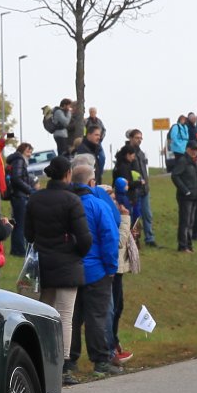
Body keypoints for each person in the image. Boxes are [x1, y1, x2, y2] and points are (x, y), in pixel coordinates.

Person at [25, 156, 92, 386]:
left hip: (42, 266)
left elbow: (28, 234)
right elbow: (84, 238)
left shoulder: (35, 199)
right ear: (68, 174)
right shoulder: (72, 200)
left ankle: (42, 364)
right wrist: (76, 253)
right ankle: (63, 368)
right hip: (67, 265)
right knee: (64, 316)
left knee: (43, 316)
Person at [71, 157, 122, 376]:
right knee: (97, 317)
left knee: (71, 319)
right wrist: (111, 268)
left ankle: (69, 362)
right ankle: (100, 361)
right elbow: (110, 237)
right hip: (96, 270)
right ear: (92, 182)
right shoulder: (98, 205)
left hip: (70, 270)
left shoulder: (67, 204)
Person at [109, 181, 139, 364]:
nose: (115, 202)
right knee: (112, 309)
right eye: (111, 198)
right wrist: (126, 219)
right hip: (112, 268)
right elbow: (118, 241)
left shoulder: (114, 212)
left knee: (118, 307)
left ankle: (114, 342)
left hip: (118, 268)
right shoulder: (110, 214)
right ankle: (110, 347)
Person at [169, 141, 197, 253]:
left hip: (195, 196)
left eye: (196, 149)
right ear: (187, 149)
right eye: (192, 149)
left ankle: (189, 245)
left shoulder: (196, 161)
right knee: (185, 221)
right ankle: (182, 246)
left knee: (191, 222)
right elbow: (175, 176)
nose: (194, 151)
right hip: (185, 197)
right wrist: (185, 190)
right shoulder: (183, 161)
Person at [5, 142, 36, 257]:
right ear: (22, 150)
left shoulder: (16, 160)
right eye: (28, 151)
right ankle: (20, 251)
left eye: (31, 152)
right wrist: (30, 190)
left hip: (17, 195)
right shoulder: (19, 160)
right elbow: (16, 178)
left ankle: (16, 250)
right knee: (21, 224)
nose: (29, 154)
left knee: (18, 223)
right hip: (20, 195)